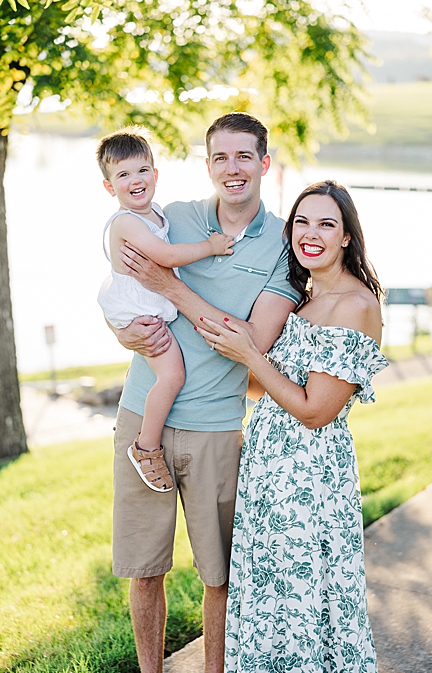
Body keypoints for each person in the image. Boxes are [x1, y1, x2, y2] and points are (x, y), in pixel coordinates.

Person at [110, 112, 301, 673]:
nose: (232, 168)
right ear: (208, 163)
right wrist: (118, 327)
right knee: (146, 569)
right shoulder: (174, 219)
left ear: (264, 164)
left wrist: (170, 287)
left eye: (244, 156)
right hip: (142, 413)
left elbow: (248, 344)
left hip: (216, 427)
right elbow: (125, 286)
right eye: (220, 157)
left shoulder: (284, 249)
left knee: (218, 573)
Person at [195, 180, 387, 672]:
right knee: (270, 595)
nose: (311, 233)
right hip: (267, 472)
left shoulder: (356, 305)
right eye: (302, 221)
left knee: (304, 597)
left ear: (347, 237)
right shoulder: (301, 302)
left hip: (309, 478)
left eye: (327, 224)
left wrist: (250, 354)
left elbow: (314, 410)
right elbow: (269, 388)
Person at [96, 126, 235, 493]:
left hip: (149, 307)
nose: (135, 180)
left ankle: (147, 444)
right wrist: (212, 246)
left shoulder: (155, 213)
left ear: (155, 175)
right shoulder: (126, 222)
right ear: (110, 188)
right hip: (139, 315)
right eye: (123, 175)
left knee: (172, 374)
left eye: (142, 170)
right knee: (172, 376)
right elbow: (167, 256)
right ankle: (146, 448)